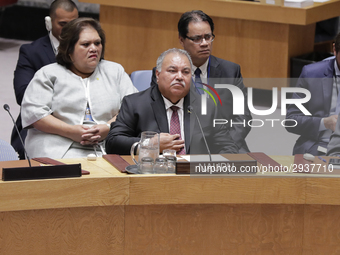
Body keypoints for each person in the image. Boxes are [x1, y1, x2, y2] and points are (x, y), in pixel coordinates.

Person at [21, 17, 137, 159]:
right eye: (86, 44)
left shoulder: (115, 71)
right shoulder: (48, 74)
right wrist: (70, 131)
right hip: (58, 144)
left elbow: (132, 108)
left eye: (97, 43)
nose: (93, 48)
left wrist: (108, 127)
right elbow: (34, 114)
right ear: (69, 50)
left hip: (108, 143)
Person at [151, 10, 252, 153]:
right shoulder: (165, 73)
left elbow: (243, 118)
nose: (204, 43)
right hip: (183, 144)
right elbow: (160, 115)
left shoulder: (230, 71)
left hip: (226, 143)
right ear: (181, 40)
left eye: (208, 37)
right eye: (197, 38)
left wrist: (226, 145)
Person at [105, 48, 238, 155]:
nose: (179, 77)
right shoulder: (135, 104)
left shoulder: (206, 106)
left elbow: (228, 147)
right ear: (158, 75)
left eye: (185, 72)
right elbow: (112, 143)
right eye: (172, 71)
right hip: (152, 177)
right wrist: (150, 145)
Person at [12, 0, 79, 159]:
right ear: (48, 23)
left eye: (73, 23)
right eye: (63, 24)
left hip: (81, 122)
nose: (69, 30)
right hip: (39, 124)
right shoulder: (31, 52)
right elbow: (22, 94)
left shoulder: (89, 48)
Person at [286, 33, 340, 156]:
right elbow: (291, 121)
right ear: (334, 50)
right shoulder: (312, 74)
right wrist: (325, 122)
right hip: (320, 146)